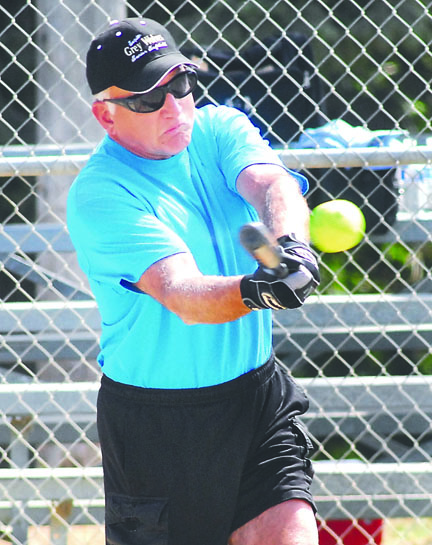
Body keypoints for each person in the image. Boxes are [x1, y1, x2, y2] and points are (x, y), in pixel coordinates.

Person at [67, 17, 320, 545]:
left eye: (180, 84)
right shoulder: (102, 193)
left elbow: (271, 183)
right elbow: (183, 295)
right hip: (158, 425)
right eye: (146, 99)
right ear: (105, 116)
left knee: (290, 532)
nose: (174, 106)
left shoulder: (219, 127)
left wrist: (291, 246)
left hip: (256, 399)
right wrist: (258, 290)